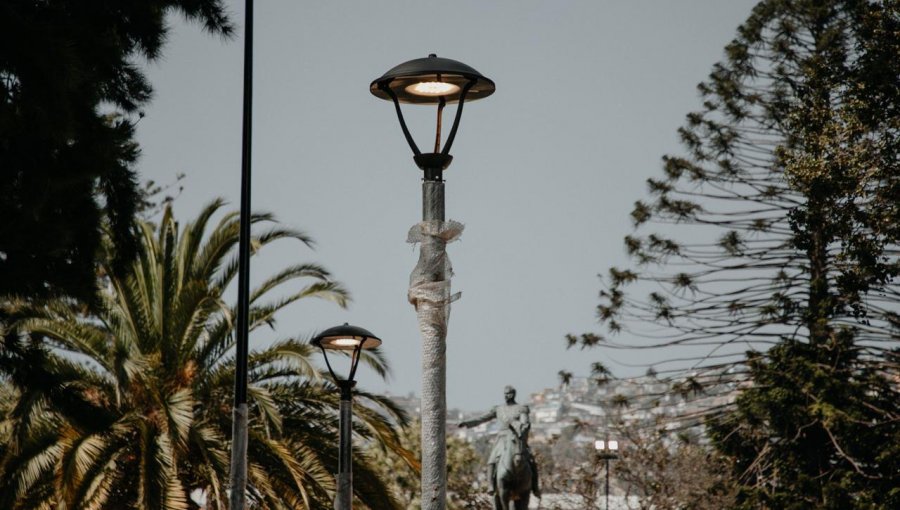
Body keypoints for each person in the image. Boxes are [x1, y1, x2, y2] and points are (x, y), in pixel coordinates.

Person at [458, 386, 540, 497]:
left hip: (516, 437)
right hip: (502, 438)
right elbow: (482, 418)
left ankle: (535, 487)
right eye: (505, 393)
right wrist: (468, 423)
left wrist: (520, 428)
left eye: (509, 393)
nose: (507, 396)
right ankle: (491, 485)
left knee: (530, 459)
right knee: (492, 460)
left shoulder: (521, 408)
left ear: (514, 394)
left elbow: (525, 424)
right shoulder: (498, 409)